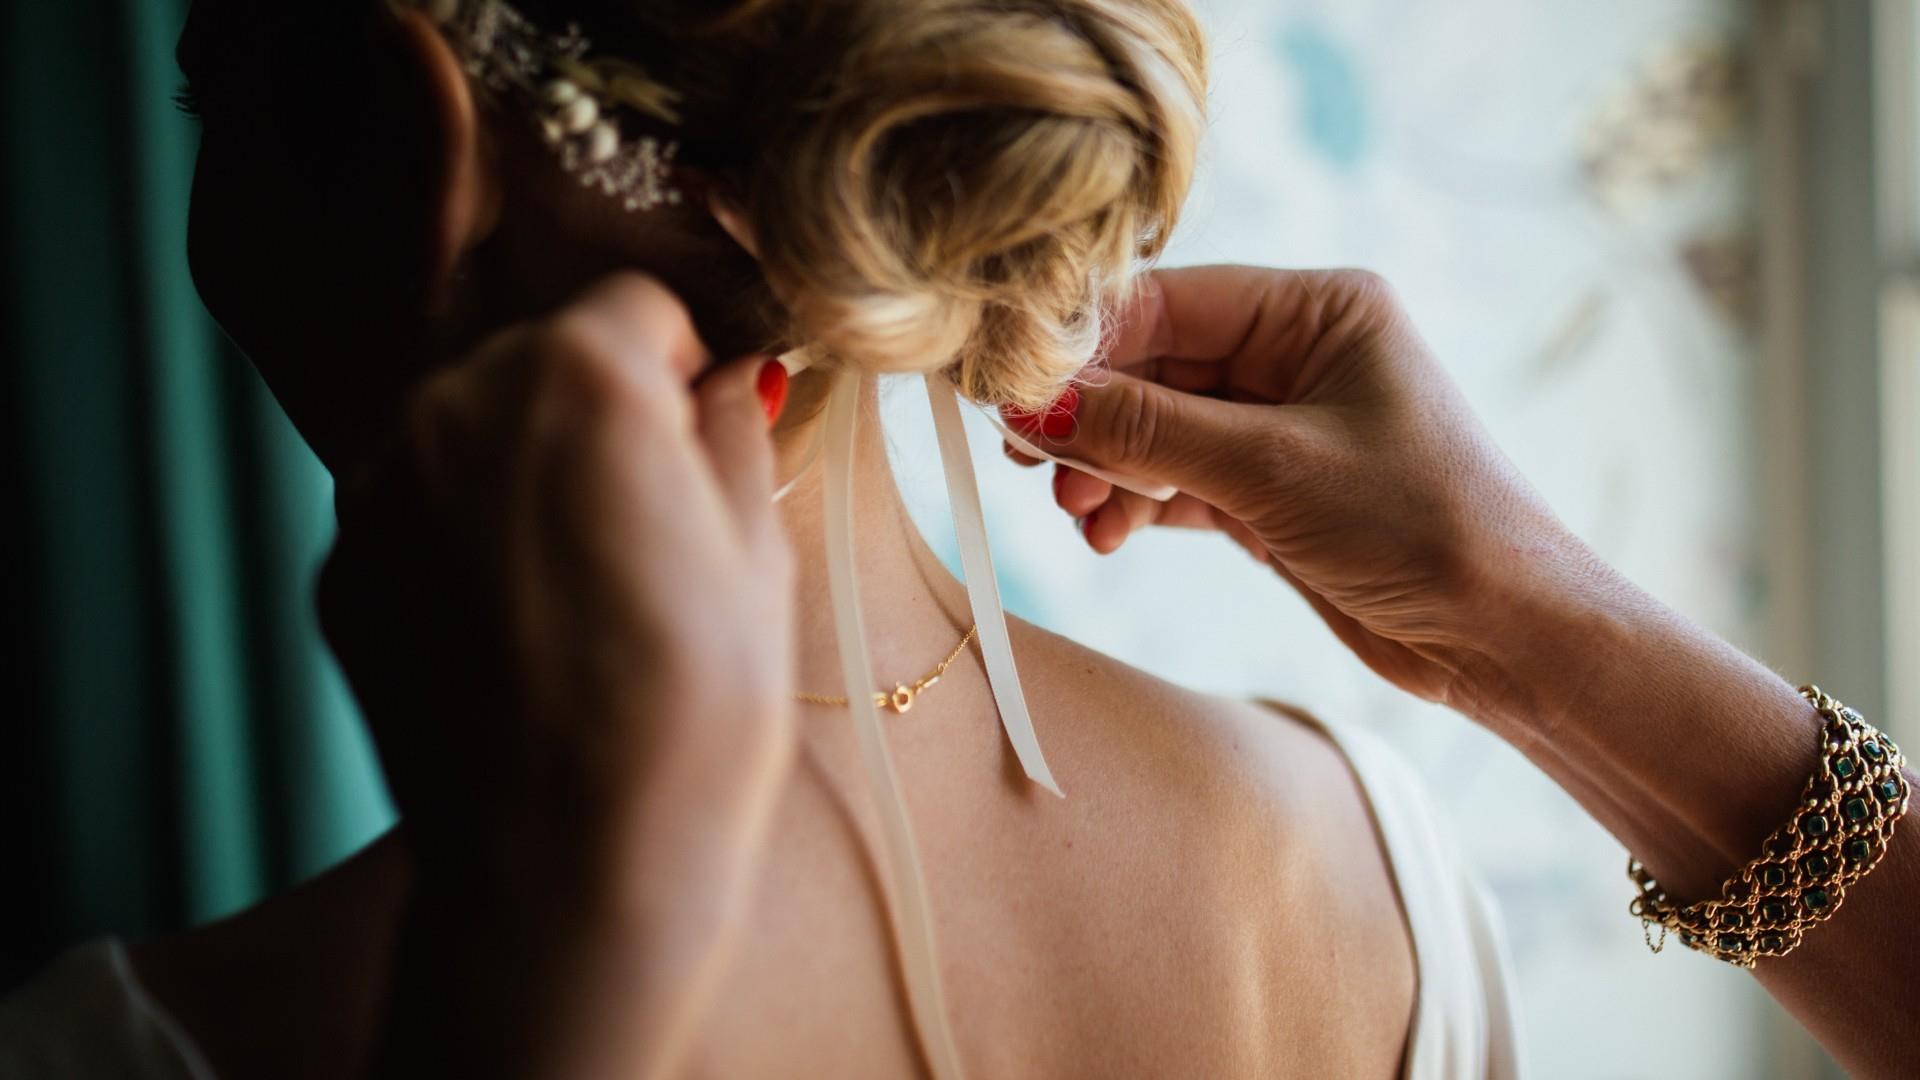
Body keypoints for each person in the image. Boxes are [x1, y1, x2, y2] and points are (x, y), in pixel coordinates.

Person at [0, 3, 1906, 1080]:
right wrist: (1522, 622)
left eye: (212, 90)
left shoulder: (130, 1051)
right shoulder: (1364, 873)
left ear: (390, 131)